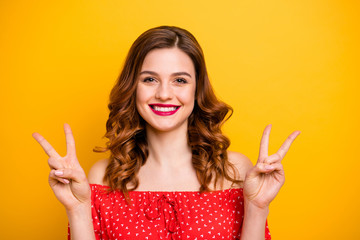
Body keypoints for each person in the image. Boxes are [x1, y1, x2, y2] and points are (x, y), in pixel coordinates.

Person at [32, 26, 300, 240]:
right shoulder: (104, 176)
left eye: (180, 80)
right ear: (133, 88)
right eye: (149, 79)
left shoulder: (235, 170)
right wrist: (77, 211)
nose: (163, 93)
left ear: (197, 91)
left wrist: (257, 208)